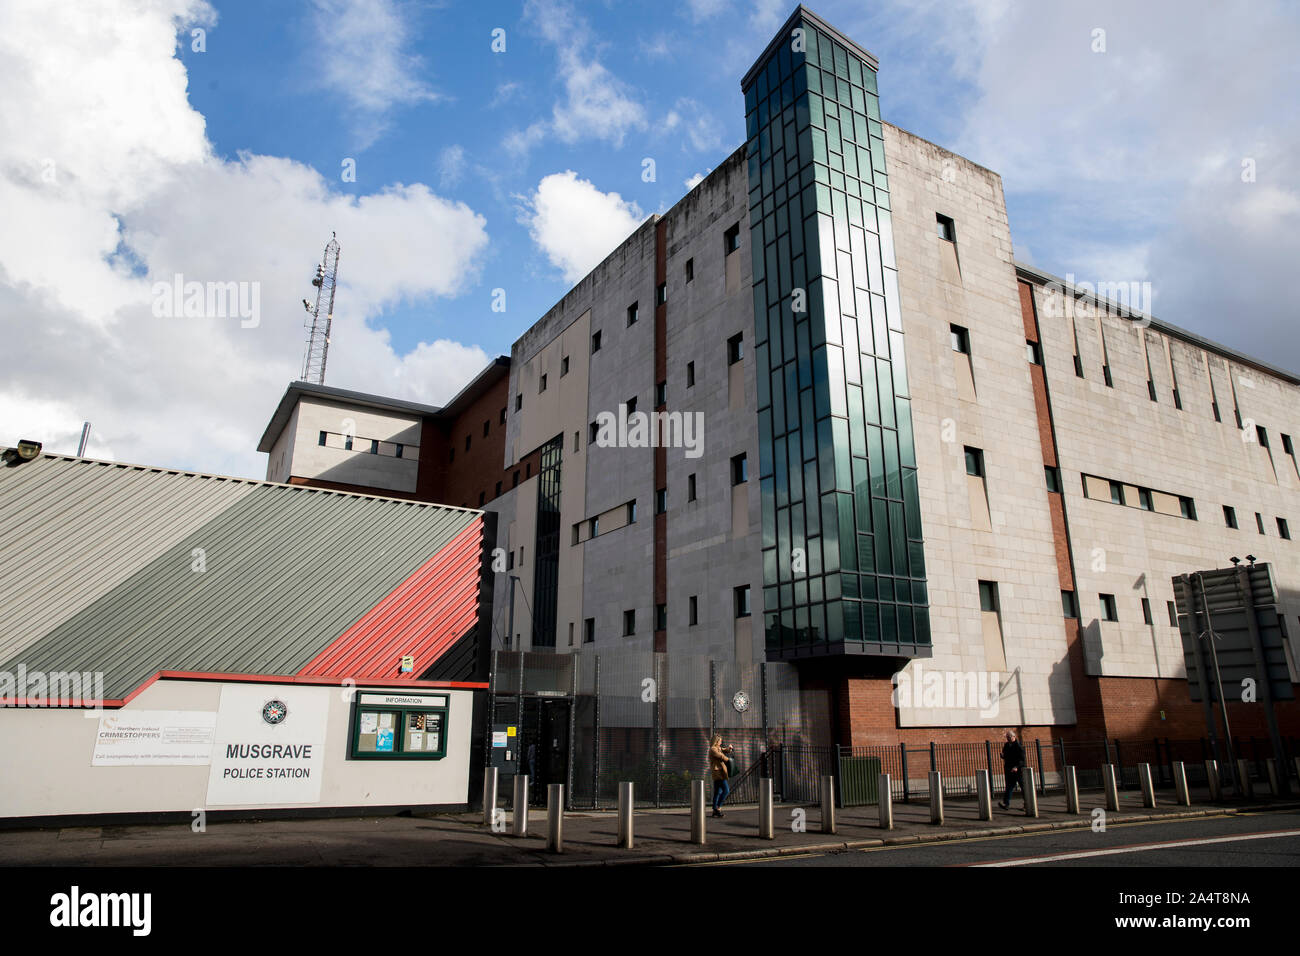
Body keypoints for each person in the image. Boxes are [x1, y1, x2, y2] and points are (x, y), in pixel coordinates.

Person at [709, 734, 735, 817]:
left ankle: (714, 810)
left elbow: (725, 750)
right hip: (718, 773)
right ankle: (718, 807)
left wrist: (729, 748)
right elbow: (721, 756)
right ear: (716, 741)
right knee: (726, 790)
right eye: (720, 741)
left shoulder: (718, 748)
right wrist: (729, 760)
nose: (721, 742)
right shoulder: (713, 749)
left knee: (718, 792)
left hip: (720, 772)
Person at [999, 729, 1025, 809]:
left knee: (1023, 787)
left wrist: (1016, 767)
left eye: (1009, 737)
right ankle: (1006, 803)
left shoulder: (1018, 746)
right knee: (1009, 787)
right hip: (1009, 769)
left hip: (1018, 770)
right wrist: (1003, 756)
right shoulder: (1007, 745)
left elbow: (1022, 759)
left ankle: (1027, 803)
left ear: (1014, 737)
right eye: (1007, 737)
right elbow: (1006, 755)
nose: (1008, 738)